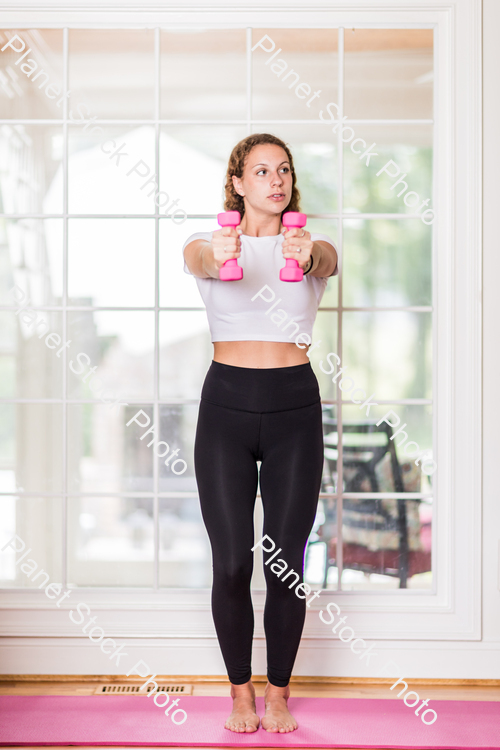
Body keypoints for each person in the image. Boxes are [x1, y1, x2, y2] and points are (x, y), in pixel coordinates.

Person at [182, 133, 338, 733]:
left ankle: (278, 693)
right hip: (226, 407)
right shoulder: (209, 243)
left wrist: (309, 254)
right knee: (229, 563)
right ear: (238, 184)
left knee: (285, 566)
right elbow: (195, 259)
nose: (276, 180)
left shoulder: (311, 246)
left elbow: (325, 262)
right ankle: (239, 692)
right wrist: (220, 249)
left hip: (293, 409)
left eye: (285, 170)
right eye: (261, 171)